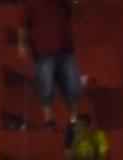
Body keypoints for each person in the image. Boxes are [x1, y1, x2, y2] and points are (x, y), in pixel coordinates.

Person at [18, 0, 82, 130]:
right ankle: (49, 120)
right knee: (46, 87)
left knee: (73, 86)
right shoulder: (30, 3)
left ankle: (74, 120)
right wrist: (22, 44)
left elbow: (71, 14)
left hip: (65, 50)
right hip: (43, 52)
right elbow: (23, 25)